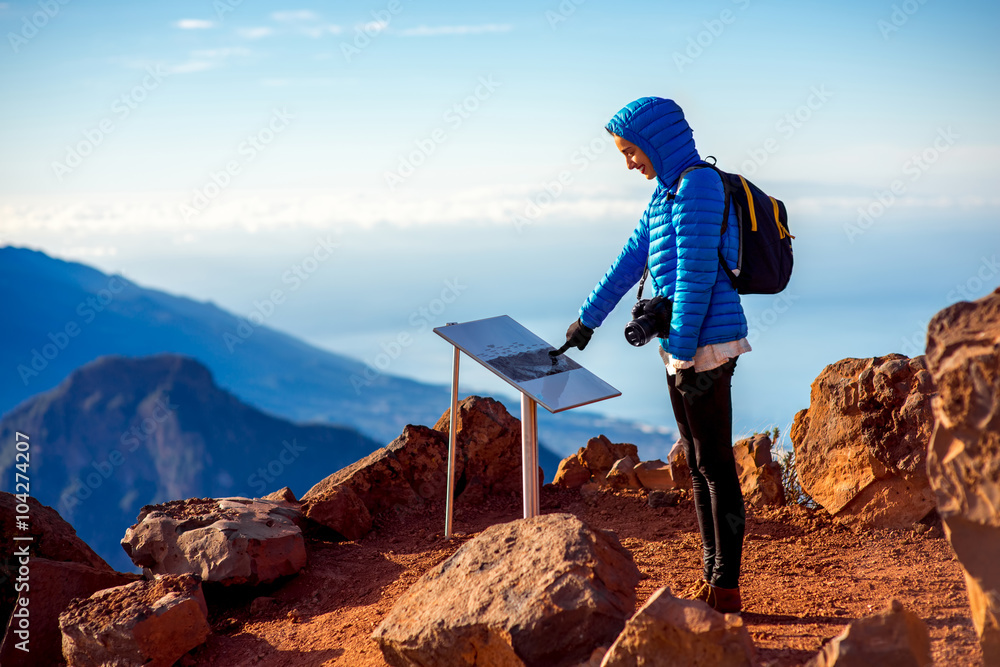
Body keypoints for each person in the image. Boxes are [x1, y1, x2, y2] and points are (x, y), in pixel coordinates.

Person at [563, 96, 750, 614]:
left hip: (708, 345)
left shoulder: (699, 187)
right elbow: (628, 261)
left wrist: (687, 354)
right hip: (681, 346)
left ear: (655, 142)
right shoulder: (664, 197)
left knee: (714, 463)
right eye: (623, 154)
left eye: (630, 151)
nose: (628, 163)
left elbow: (695, 279)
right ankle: (713, 581)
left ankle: (726, 586)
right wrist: (587, 321)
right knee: (695, 461)